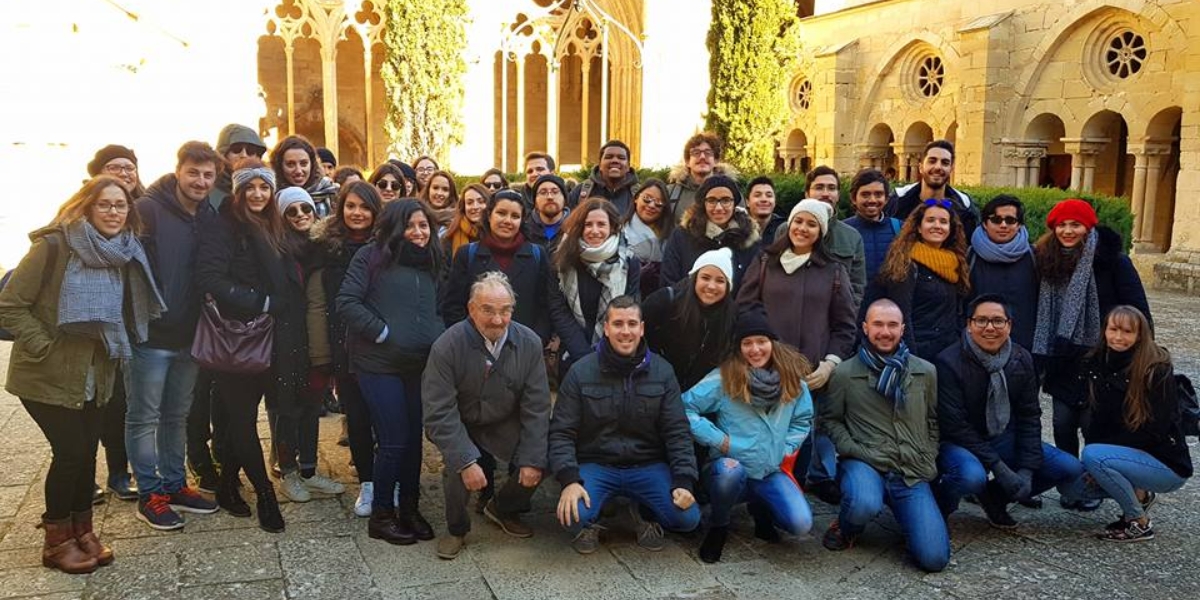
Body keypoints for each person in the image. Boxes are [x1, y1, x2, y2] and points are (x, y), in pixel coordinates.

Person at [0, 176, 165, 573]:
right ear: (87, 207)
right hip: (47, 374)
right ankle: (56, 543)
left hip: (98, 373)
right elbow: (9, 305)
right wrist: (45, 345)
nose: (113, 211)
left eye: (120, 205)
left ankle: (82, 531)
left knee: (86, 453)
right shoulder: (54, 246)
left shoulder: (124, 253)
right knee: (71, 453)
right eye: (104, 204)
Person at [195, 158, 306, 534]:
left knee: (239, 417)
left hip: (270, 335)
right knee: (242, 418)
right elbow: (209, 276)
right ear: (238, 191)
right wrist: (260, 302)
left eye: (264, 187)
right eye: (251, 187)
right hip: (238, 336)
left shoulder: (270, 223)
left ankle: (227, 486)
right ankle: (265, 495)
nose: (258, 194)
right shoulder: (225, 225)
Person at [551, 296, 700, 555]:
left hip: (647, 464)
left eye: (632, 324)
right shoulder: (580, 371)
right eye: (618, 324)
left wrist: (684, 481)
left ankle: (641, 511)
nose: (626, 331)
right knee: (573, 517)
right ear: (606, 328)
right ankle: (595, 517)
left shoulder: (663, 371)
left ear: (642, 328)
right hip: (596, 464)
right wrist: (569, 480)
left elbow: (677, 431)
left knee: (687, 519)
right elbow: (561, 431)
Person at [422, 272, 552, 560]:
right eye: (488, 310)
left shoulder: (529, 342)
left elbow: (537, 406)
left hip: (503, 420)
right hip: (460, 421)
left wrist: (532, 459)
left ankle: (503, 507)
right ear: (471, 309)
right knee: (459, 470)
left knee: (544, 456)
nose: (497, 319)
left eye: (505, 311)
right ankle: (456, 528)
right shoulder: (447, 346)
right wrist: (467, 460)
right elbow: (439, 411)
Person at [337, 199, 445, 545]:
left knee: (414, 440)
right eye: (411, 226)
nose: (418, 233)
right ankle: (382, 514)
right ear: (396, 227)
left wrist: (437, 336)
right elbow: (347, 302)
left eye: (424, 225)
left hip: (418, 364)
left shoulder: (434, 261)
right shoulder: (370, 256)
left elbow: (442, 306)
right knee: (394, 438)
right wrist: (383, 333)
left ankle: (409, 508)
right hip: (377, 364)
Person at [737, 199, 857, 500]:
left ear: (821, 231)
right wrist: (758, 351)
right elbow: (745, 308)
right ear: (789, 224)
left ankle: (792, 494)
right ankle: (757, 500)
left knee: (800, 440)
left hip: (810, 375)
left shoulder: (833, 271)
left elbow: (845, 325)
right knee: (762, 434)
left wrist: (830, 364)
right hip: (765, 369)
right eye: (799, 221)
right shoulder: (765, 262)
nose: (803, 228)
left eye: (811, 224)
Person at [128, 141, 220, 530]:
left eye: (208, 175)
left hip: (190, 336)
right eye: (193, 173)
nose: (200, 181)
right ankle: (150, 493)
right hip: (149, 336)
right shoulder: (147, 210)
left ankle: (174, 482)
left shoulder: (208, 214)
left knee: (177, 415)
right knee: (144, 416)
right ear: (178, 170)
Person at [820, 299, 949, 573]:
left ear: (902, 329)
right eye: (878, 324)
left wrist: (929, 452)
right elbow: (830, 420)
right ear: (865, 328)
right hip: (864, 461)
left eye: (892, 325)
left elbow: (932, 419)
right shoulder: (845, 373)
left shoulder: (925, 371)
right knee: (864, 502)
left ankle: (911, 521)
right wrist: (852, 448)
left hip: (909, 468)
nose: (885, 331)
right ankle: (847, 527)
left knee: (934, 559)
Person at [933, 295, 1083, 527]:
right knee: (971, 477)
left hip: (1002, 434)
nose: (990, 327)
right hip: (959, 442)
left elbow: (1029, 416)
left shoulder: (1021, 359)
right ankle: (940, 505)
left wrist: (1027, 470)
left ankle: (994, 497)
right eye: (981, 320)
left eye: (997, 321)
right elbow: (954, 425)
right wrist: (999, 467)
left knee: (1068, 466)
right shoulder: (948, 362)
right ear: (969, 325)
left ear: (1009, 325)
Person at [682, 309, 814, 563]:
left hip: (770, 469)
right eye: (747, 343)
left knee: (800, 524)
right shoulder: (723, 379)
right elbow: (684, 407)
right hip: (730, 465)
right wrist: (719, 440)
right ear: (739, 347)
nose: (755, 349)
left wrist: (785, 448)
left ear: (772, 343)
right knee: (729, 473)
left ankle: (761, 508)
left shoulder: (793, 382)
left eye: (761, 341)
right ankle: (719, 525)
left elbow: (802, 419)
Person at [1034, 200, 1152, 473]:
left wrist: (1140, 353)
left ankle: (1094, 479)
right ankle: (1069, 478)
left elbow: (1138, 308)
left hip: (1102, 357)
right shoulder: (1047, 259)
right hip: (1062, 356)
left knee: (1093, 423)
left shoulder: (1113, 261)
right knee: (1062, 423)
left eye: (1075, 224)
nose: (1067, 231)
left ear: (1088, 227)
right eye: (1061, 225)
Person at [1062, 306, 1192, 541]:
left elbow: (1158, 428)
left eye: (1126, 331)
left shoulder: (1156, 369)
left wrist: (1104, 458)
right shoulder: (1098, 362)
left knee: (1094, 455)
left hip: (1163, 462)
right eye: (1113, 329)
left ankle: (1138, 522)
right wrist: (1099, 462)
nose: (1118, 337)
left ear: (1140, 335)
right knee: (1073, 489)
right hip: (1122, 455)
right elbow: (1098, 419)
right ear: (1104, 330)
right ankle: (1140, 496)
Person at [306, 181, 383, 517]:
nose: (357, 213)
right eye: (351, 206)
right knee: (357, 416)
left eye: (364, 207)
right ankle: (367, 483)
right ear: (341, 208)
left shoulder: (387, 247)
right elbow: (317, 301)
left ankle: (388, 477)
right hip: (343, 343)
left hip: (380, 342)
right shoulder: (324, 247)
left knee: (386, 415)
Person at [271, 187, 344, 503]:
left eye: (306, 209)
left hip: (315, 340)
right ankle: (288, 472)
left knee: (312, 406)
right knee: (287, 410)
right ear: (281, 216)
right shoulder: (275, 248)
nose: (301, 216)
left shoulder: (322, 248)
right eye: (292, 211)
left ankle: (309, 471)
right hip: (285, 340)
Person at [85, 145, 143, 501]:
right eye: (114, 167)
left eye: (129, 167)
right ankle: (83, 475)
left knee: (121, 402)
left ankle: (120, 472)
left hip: (128, 323)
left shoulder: (141, 214)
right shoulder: (80, 219)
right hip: (89, 327)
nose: (124, 173)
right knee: (89, 405)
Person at [441, 189, 572, 346]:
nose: (508, 221)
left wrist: (535, 341)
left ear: (522, 220)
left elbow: (545, 306)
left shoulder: (537, 255)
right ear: (489, 216)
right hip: (475, 348)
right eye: (501, 213)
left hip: (524, 348)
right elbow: (453, 306)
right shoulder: (467, 254)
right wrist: (470, 342)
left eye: (515, 216)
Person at [868, 199, 971, 360]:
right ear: (918, 228)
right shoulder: (905, 264)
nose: (937, 225)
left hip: (949, 354)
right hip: (919, 353)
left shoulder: (956, 263)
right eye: (930, 220)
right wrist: (912, 360)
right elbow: (903, 316)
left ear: (950, 229)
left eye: (943, 222)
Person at [551, 198, 641, 370]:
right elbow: (558, 309)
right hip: (573, 352)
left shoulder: (628, 262)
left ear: (612, 227)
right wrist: (584, 356)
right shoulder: (562, 259)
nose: (594, 231)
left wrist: (605, 352)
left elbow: (631, 306)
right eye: (588, 224)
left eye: (601, 224)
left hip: (615, 351)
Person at [642, 248, 738, 391]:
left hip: (696, 397)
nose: (711, 286)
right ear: (694, 278)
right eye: (705, 278)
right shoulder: (664, 301)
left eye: (720, 281)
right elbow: (637, 335)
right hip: (653, 385)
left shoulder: (731, 317)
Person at [660, 175, 762, 291]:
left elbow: (754, 289)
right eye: (712, 200)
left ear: (734, 204)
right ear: (703, 204)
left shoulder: (749, 239)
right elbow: (668, 282)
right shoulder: (682, 236)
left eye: (725, 200)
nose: (718, 207)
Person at [968, 195, 1038, 349]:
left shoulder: (1035, 256)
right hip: (978, 346)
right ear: (985, 224)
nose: (1003, 225)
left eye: (1010, 220)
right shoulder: (969, 257)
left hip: (1024, 346)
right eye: (996, 220)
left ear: (1019, 225)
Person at [799, 166, 868, 305]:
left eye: (831, 188)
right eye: (819, 188)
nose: (826, 193)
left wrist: (846, 317)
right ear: (807, 193)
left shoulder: (852, 237)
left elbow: (857, 287)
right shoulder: (787, 230)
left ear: (837, 195)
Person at [886, 140, 979, 241]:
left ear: (951, 169)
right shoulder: (898, 201)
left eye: (945, 163)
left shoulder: (964, 206)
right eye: (932, 161)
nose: (938, 167)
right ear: (921, 167)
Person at [843, 168, 900, 283]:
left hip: (890, 300)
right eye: (865, 194)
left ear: (886, 199)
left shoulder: (899, 228)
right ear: (854, 198)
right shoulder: (843, 231)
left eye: (878, 194)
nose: (872, 200)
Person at [666, 132, 735, 221]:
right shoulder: (670, 193)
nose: (702, 157)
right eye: (696, 152)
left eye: (708, 153)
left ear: (716, 160)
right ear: (687, 161)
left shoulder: (732, 193)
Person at [623, 179, 674, 298]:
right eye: (647, 198)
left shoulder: (672, 235)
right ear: (636, 198)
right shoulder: (619, 231)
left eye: (659, 202)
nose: (651, 205)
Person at [270, 135, 338, 217]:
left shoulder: (330, 192)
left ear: (312, 164)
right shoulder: (270, 198)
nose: (298, 170)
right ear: (279, 166)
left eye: (303, 164)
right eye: (291, 164)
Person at [568, 139, 638, 214]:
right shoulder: (580, 192)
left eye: (621, 158)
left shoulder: (639, 194)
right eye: (609, 157)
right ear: (600, 164)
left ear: (628, 166)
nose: (615, 160)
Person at [208, 124, 267, 209]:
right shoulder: (205, 187)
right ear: (223, 153)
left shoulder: (266, 190)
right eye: (236, 149)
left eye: (251, 151)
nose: (244, 155)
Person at [525, 174, 570, 256]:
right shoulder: (524, 229)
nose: (550, 197)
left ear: (564, 199)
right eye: (543, 192)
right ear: (535, 202)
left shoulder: (576, 228)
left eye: (555, 192)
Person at [444, 182, 489, 260]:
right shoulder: (449, 236)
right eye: (469, 203)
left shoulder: (498, 234)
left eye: (481, 201)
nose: (475, 207)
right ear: (463, 207)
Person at [419, 169, 459, 235]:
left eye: (445, 189)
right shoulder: (415, 214)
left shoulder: (459, 220)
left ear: (451, 193)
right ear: (428, 189)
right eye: (435, 188)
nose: (439, 193)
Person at [745, 176, 783, 242]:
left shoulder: (784, 229)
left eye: (769, 195)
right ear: (747, 202)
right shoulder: (737, 228)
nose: (764, 199)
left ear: (775, 201)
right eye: (757, 195)